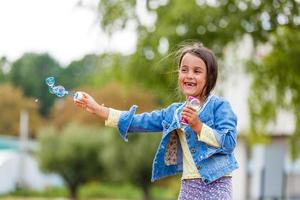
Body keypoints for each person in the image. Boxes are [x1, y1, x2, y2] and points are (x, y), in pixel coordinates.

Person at [74, 42, 238, 200]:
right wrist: (99, 109)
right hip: (189, 186)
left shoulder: (220, 106)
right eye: (184, 70)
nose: (189, 75)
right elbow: (139, 122)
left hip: (217, 184)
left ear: (209, 77)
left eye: (197, 71)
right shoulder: (174, 112)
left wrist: (199, 126)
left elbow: (229, 142)